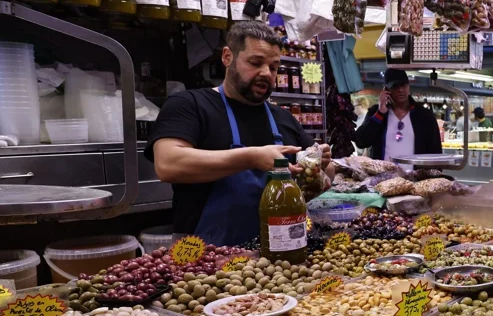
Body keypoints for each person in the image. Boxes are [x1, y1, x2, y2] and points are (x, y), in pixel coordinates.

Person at [146, 21, 332, 246]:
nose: (266, 73)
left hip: (280, 256)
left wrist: (320, 163)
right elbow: (168, 164)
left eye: (274, 67)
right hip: (204, 261)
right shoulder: (190, 105)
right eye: (255, 63)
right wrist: (251, 158)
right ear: (227, 57)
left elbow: (325, 174)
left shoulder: (283, 118)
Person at [354, 69, 442, 170]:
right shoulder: (376, 112)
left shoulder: (424, 116)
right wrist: (380, 113)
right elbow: (361, 142)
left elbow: (436, 155)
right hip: (382, 181)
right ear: (386, 89)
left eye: (404, 85)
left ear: (408, 87)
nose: (400, 90)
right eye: (395, 86)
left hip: (416, 181)